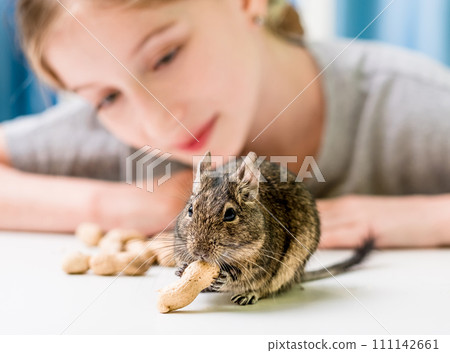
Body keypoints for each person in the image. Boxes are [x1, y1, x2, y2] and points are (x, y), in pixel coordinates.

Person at [1, 0, 449, 249]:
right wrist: (116, 208)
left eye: (166, 56)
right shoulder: (109, 134)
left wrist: (429, 218)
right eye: (108, 96)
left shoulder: (409, 101)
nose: (158, 123)